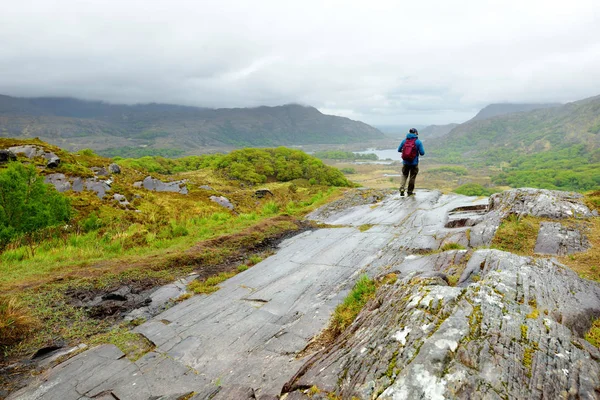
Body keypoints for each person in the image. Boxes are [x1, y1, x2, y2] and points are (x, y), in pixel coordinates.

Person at [397, 128, 425, 196]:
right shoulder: (418, 142)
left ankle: (402, 189)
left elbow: (399, 150)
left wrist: (405, 152)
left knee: (404, 175)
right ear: (415, 133)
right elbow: (422, 153)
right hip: (414, 163)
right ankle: (409, 191)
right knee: (412, 177)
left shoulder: (404, 141)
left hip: (405, 162)